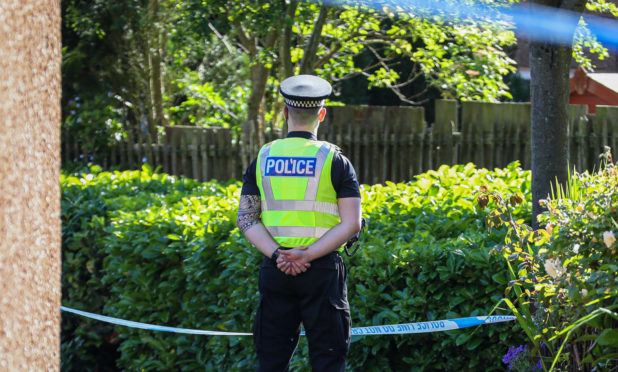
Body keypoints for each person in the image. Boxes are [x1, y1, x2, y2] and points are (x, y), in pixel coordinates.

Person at [236, 74, 362, 372]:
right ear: (322, 114)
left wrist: (279, 255)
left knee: (271, 362)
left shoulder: (264, 157)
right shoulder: (334, 160)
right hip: (321, 271)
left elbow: (246, 218)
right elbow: (352, 223)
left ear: (284, 113)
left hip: (276, 268)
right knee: (328, 361)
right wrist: (307, 255)